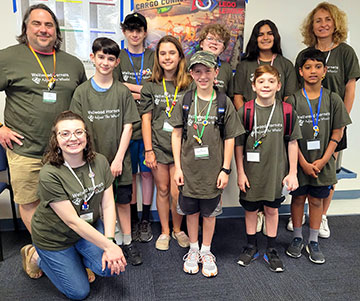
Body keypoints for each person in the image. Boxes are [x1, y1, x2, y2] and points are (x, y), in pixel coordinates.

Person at [0, 4, 86, 262]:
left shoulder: (72, 63)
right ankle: (47, 255)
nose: (43, 29)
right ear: (25, 28)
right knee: (30, 204)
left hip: (65, 152)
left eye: (49, 25)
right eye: (36, 23)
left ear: (56, 31)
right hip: (24, 150)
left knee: (68, 205)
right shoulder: (8, 58)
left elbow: (84, 102)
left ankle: (54, 252)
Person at [26, 111, 126, 300]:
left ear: (86, 136)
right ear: (56, 139)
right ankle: (36, 255)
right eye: (65, 133)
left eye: (79, 132)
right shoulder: (50, 173)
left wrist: (110, 241)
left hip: (87, 228)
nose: (73, 138)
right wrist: (107, 247)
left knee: (109, 270)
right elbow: (72, 221)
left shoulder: (100, 161)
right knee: (79, 293)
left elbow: (107, 205)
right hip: (55, 238)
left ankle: (77, 259)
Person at [170, 51, 243, 277]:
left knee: (209, 213)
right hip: (189, 170)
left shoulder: (223, 102)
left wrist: (225, 169)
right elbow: (175, 134)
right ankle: (193, 249)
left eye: (207, 71)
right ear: (191, 74)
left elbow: (230, 137)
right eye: (197, 71)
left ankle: (206, 250)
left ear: (216, 73)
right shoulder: (185, 100)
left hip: (213, 172)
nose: (203, 76)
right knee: (191, 212)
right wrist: (178, 167)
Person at [70, 38, 142, 265]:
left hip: (120, 160)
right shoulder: (81, 92)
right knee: (94, 203)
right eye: (101, 57)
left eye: (110, 59)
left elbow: (128, 125)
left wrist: (119, 158)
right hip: (90, 162)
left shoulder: (122, 91)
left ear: (117, 62)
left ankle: (128, 241)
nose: (105, 62)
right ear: (92, 58)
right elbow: (77, 128)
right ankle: (101, 244)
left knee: (122, 201)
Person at [293, 2, 360, 238]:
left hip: (333, 123)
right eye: (318, 20)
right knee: (305, 168)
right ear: (312, 25)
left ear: (336, 24)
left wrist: (340, 122)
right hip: (308, 123)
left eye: (327, 20)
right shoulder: (305, 55)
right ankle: (303, 216)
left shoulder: (345, 52)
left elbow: (350, 88)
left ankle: (321, 217)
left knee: (328, 169)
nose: (323, 24)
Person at [286, 49, 351, 264]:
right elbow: (289, 136)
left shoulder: (333, 99)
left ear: (324, 71)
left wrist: (324, 160)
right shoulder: (292, 100)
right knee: (297, 199)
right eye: (308, 67)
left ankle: (312, 240)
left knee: (316, 201)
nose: (313, 71)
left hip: (323, 163)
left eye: (317, 67)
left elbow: (338, 132)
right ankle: (296, 237)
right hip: (299, 162)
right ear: (301, 72)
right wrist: (302, 163)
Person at [235, 65, 301, 272]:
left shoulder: (287, 111)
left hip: (275, 172)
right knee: (251, 210)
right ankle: (250, 245)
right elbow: (238, 144)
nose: (266, 85)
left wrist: (292, 172)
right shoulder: (245, 110)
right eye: (261, 81)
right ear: (253, 86)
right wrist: (240, 173)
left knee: (272, 210)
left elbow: (292, 142)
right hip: (251, 173)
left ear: (279, 85)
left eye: (271, 81)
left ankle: (271, 249)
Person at [141, 35, 191, 251]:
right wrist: (149, 150)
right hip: (158, 147)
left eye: (172, 52)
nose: (167, 57)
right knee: (162, 189)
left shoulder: (190, 84)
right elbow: (146, 120)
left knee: (176, 192)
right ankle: (163, 231)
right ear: (157, 57)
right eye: (163, 53)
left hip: (182, 148)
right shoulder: (150, 86)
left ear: (180, 56)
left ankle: (177, 229)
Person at [115, 12, 155, 242]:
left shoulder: (153, 56)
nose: (135, 34)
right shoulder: (118, 56)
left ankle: (146, 220)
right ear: (124, 32)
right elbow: (118, 87)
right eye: (130, 30)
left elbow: (158, 87)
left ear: (144, 32)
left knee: (147, 175)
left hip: (150, 127)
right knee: (129, 176)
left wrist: (134, 88)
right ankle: (130, 217)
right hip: (126, 127)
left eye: (139, 30)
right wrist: (144, 89)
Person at [233, 20, 297, 110]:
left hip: (277, 120)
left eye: (270, 33)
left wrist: (281, 118)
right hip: (250, 120)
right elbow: (237, 97)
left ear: (275, 37)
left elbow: (288, 98)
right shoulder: (244, 65)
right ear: (255, 39)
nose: (265, 38)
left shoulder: (286, 65)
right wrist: (246, 118)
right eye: (260, 34)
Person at [197, 24, 233, 98]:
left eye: (219, 41)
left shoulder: (226, 68)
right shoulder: (188, 64)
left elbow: (230, 97)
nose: (214, 43)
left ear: (223, 48)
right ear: (201, 44)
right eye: (210, 38)